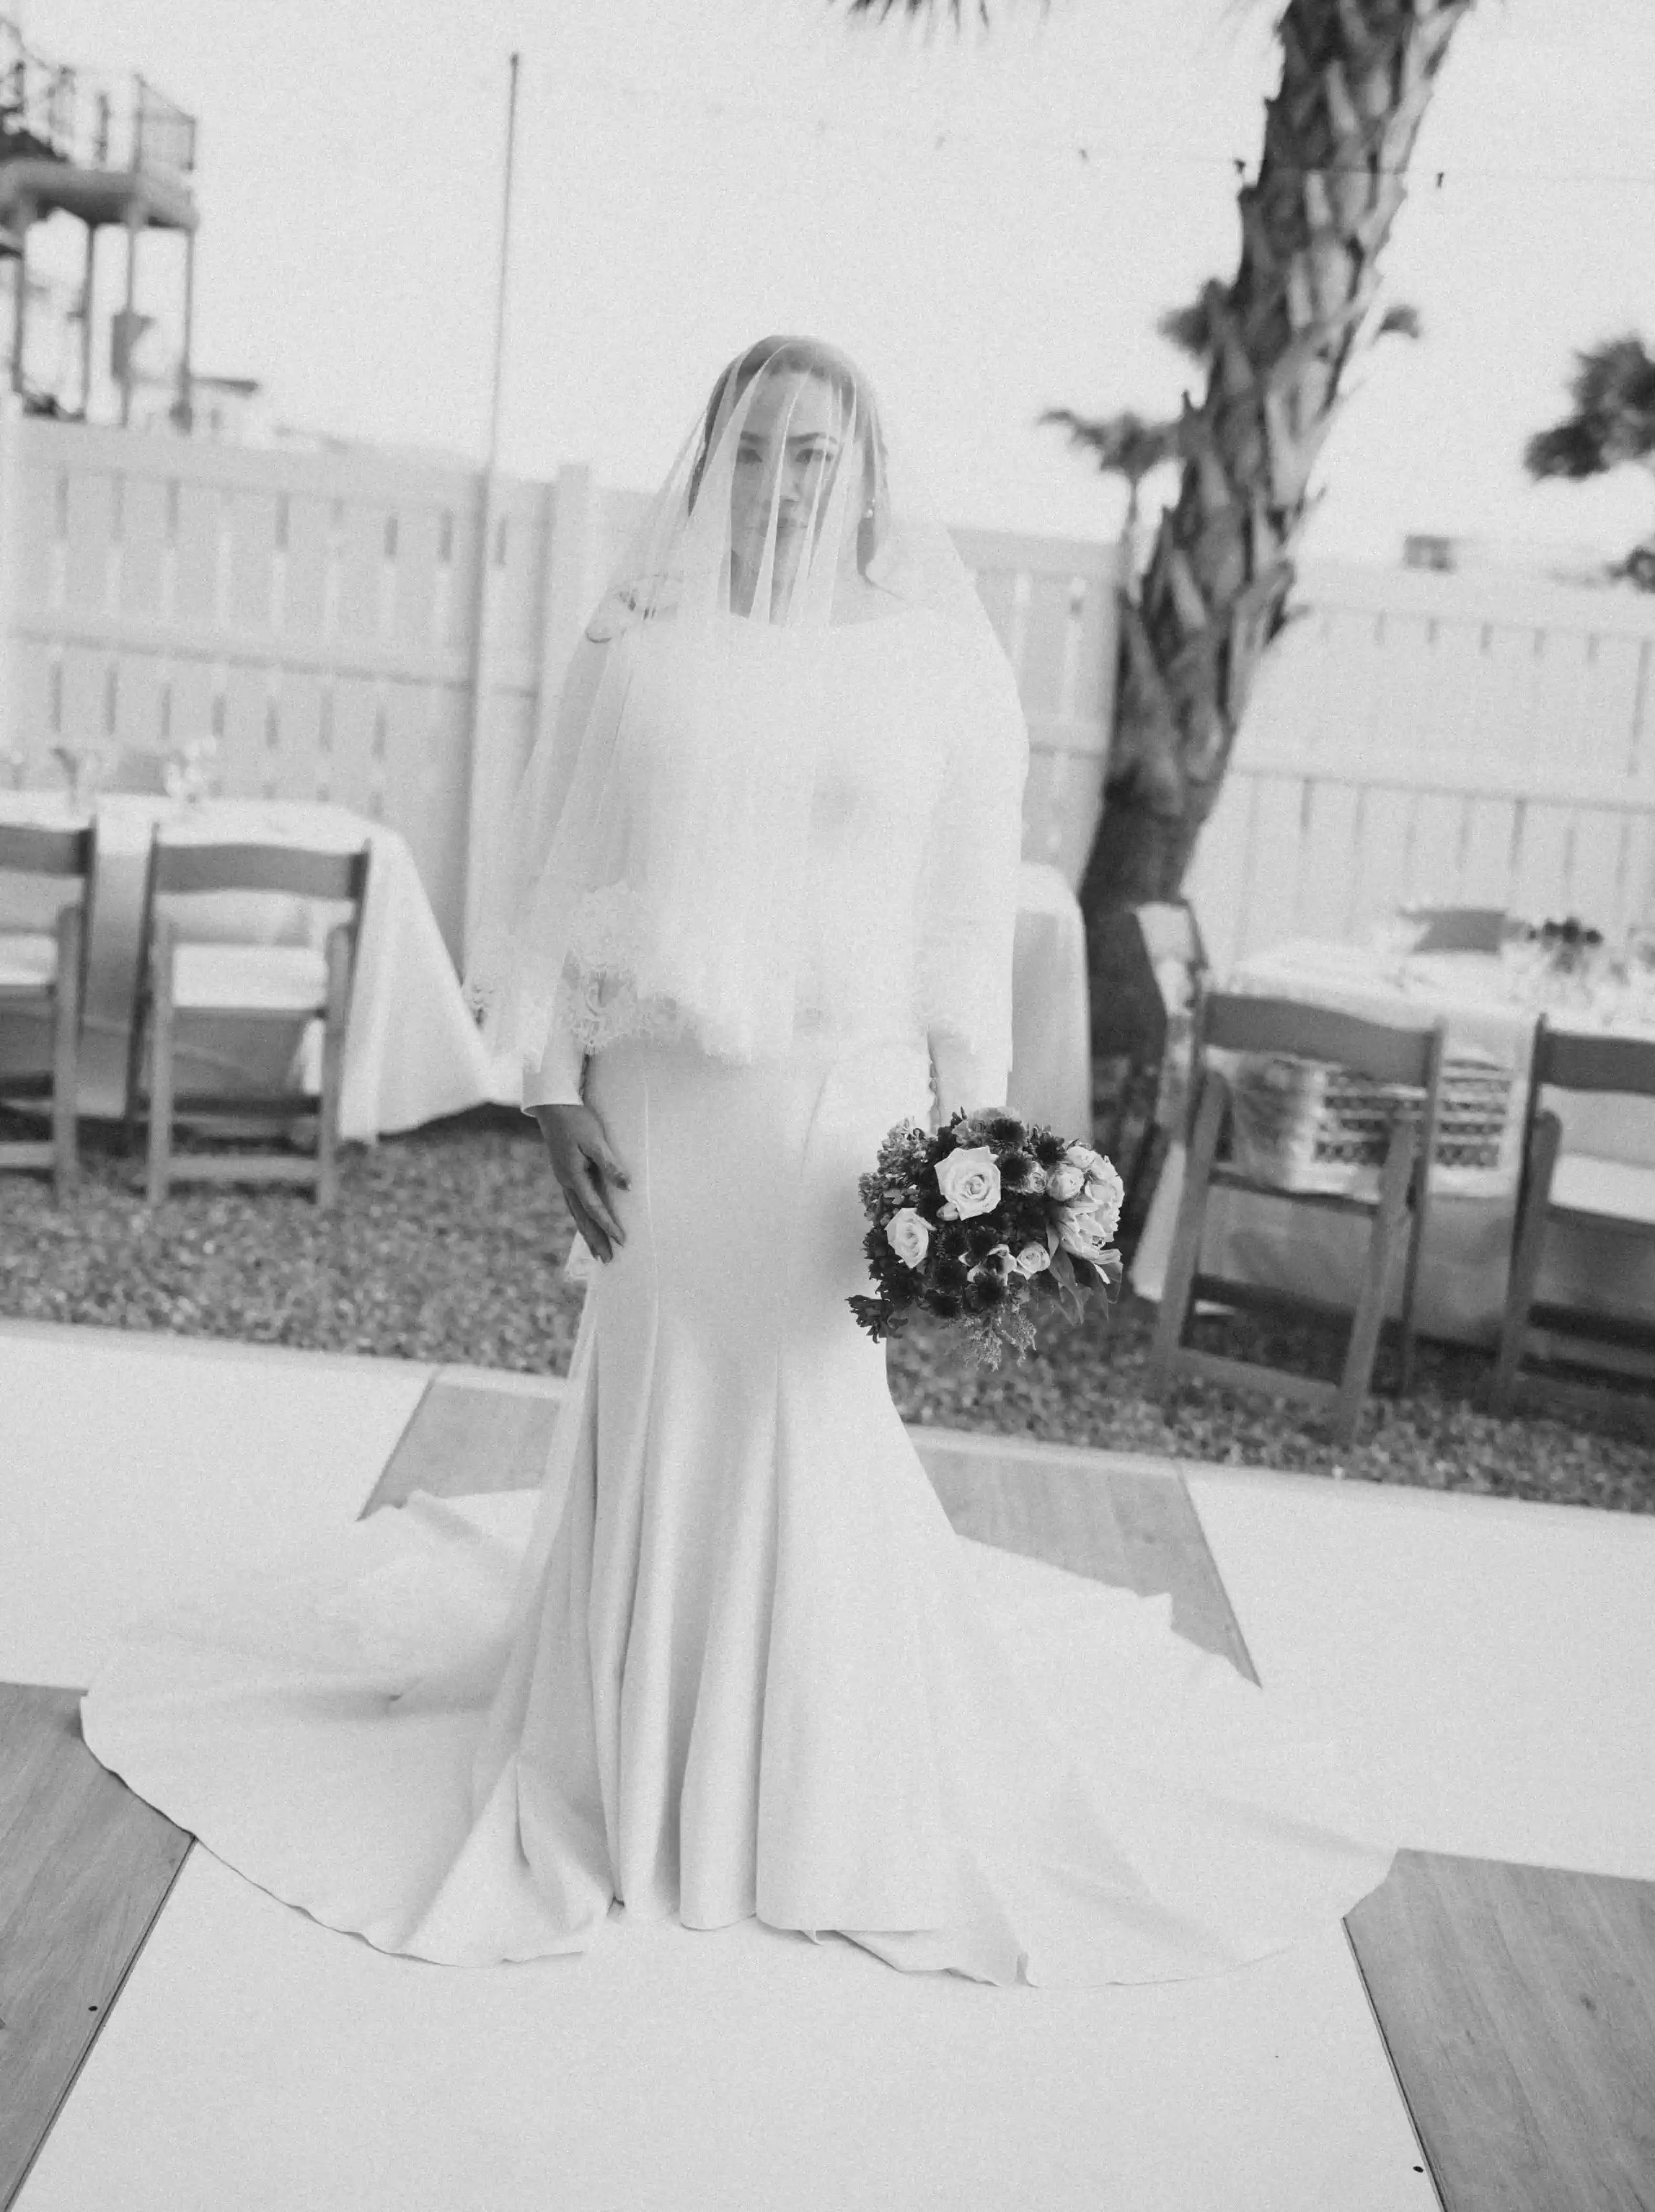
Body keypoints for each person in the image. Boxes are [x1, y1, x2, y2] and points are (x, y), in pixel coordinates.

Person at [79, 337, 1394, 1986]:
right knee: (660, 1398)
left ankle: (812, 1779)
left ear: (865, 474)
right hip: (663, 1106)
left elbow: (960, 916)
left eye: (812, 453)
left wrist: (975, 1140)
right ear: (710, 464)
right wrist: (547, 1088)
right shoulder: (640, 642)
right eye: (753, 448)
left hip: (839, 1110)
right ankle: (626, 1758)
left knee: (808, 1403)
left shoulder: (933, 661)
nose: (781, 481)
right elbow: (561, 875)